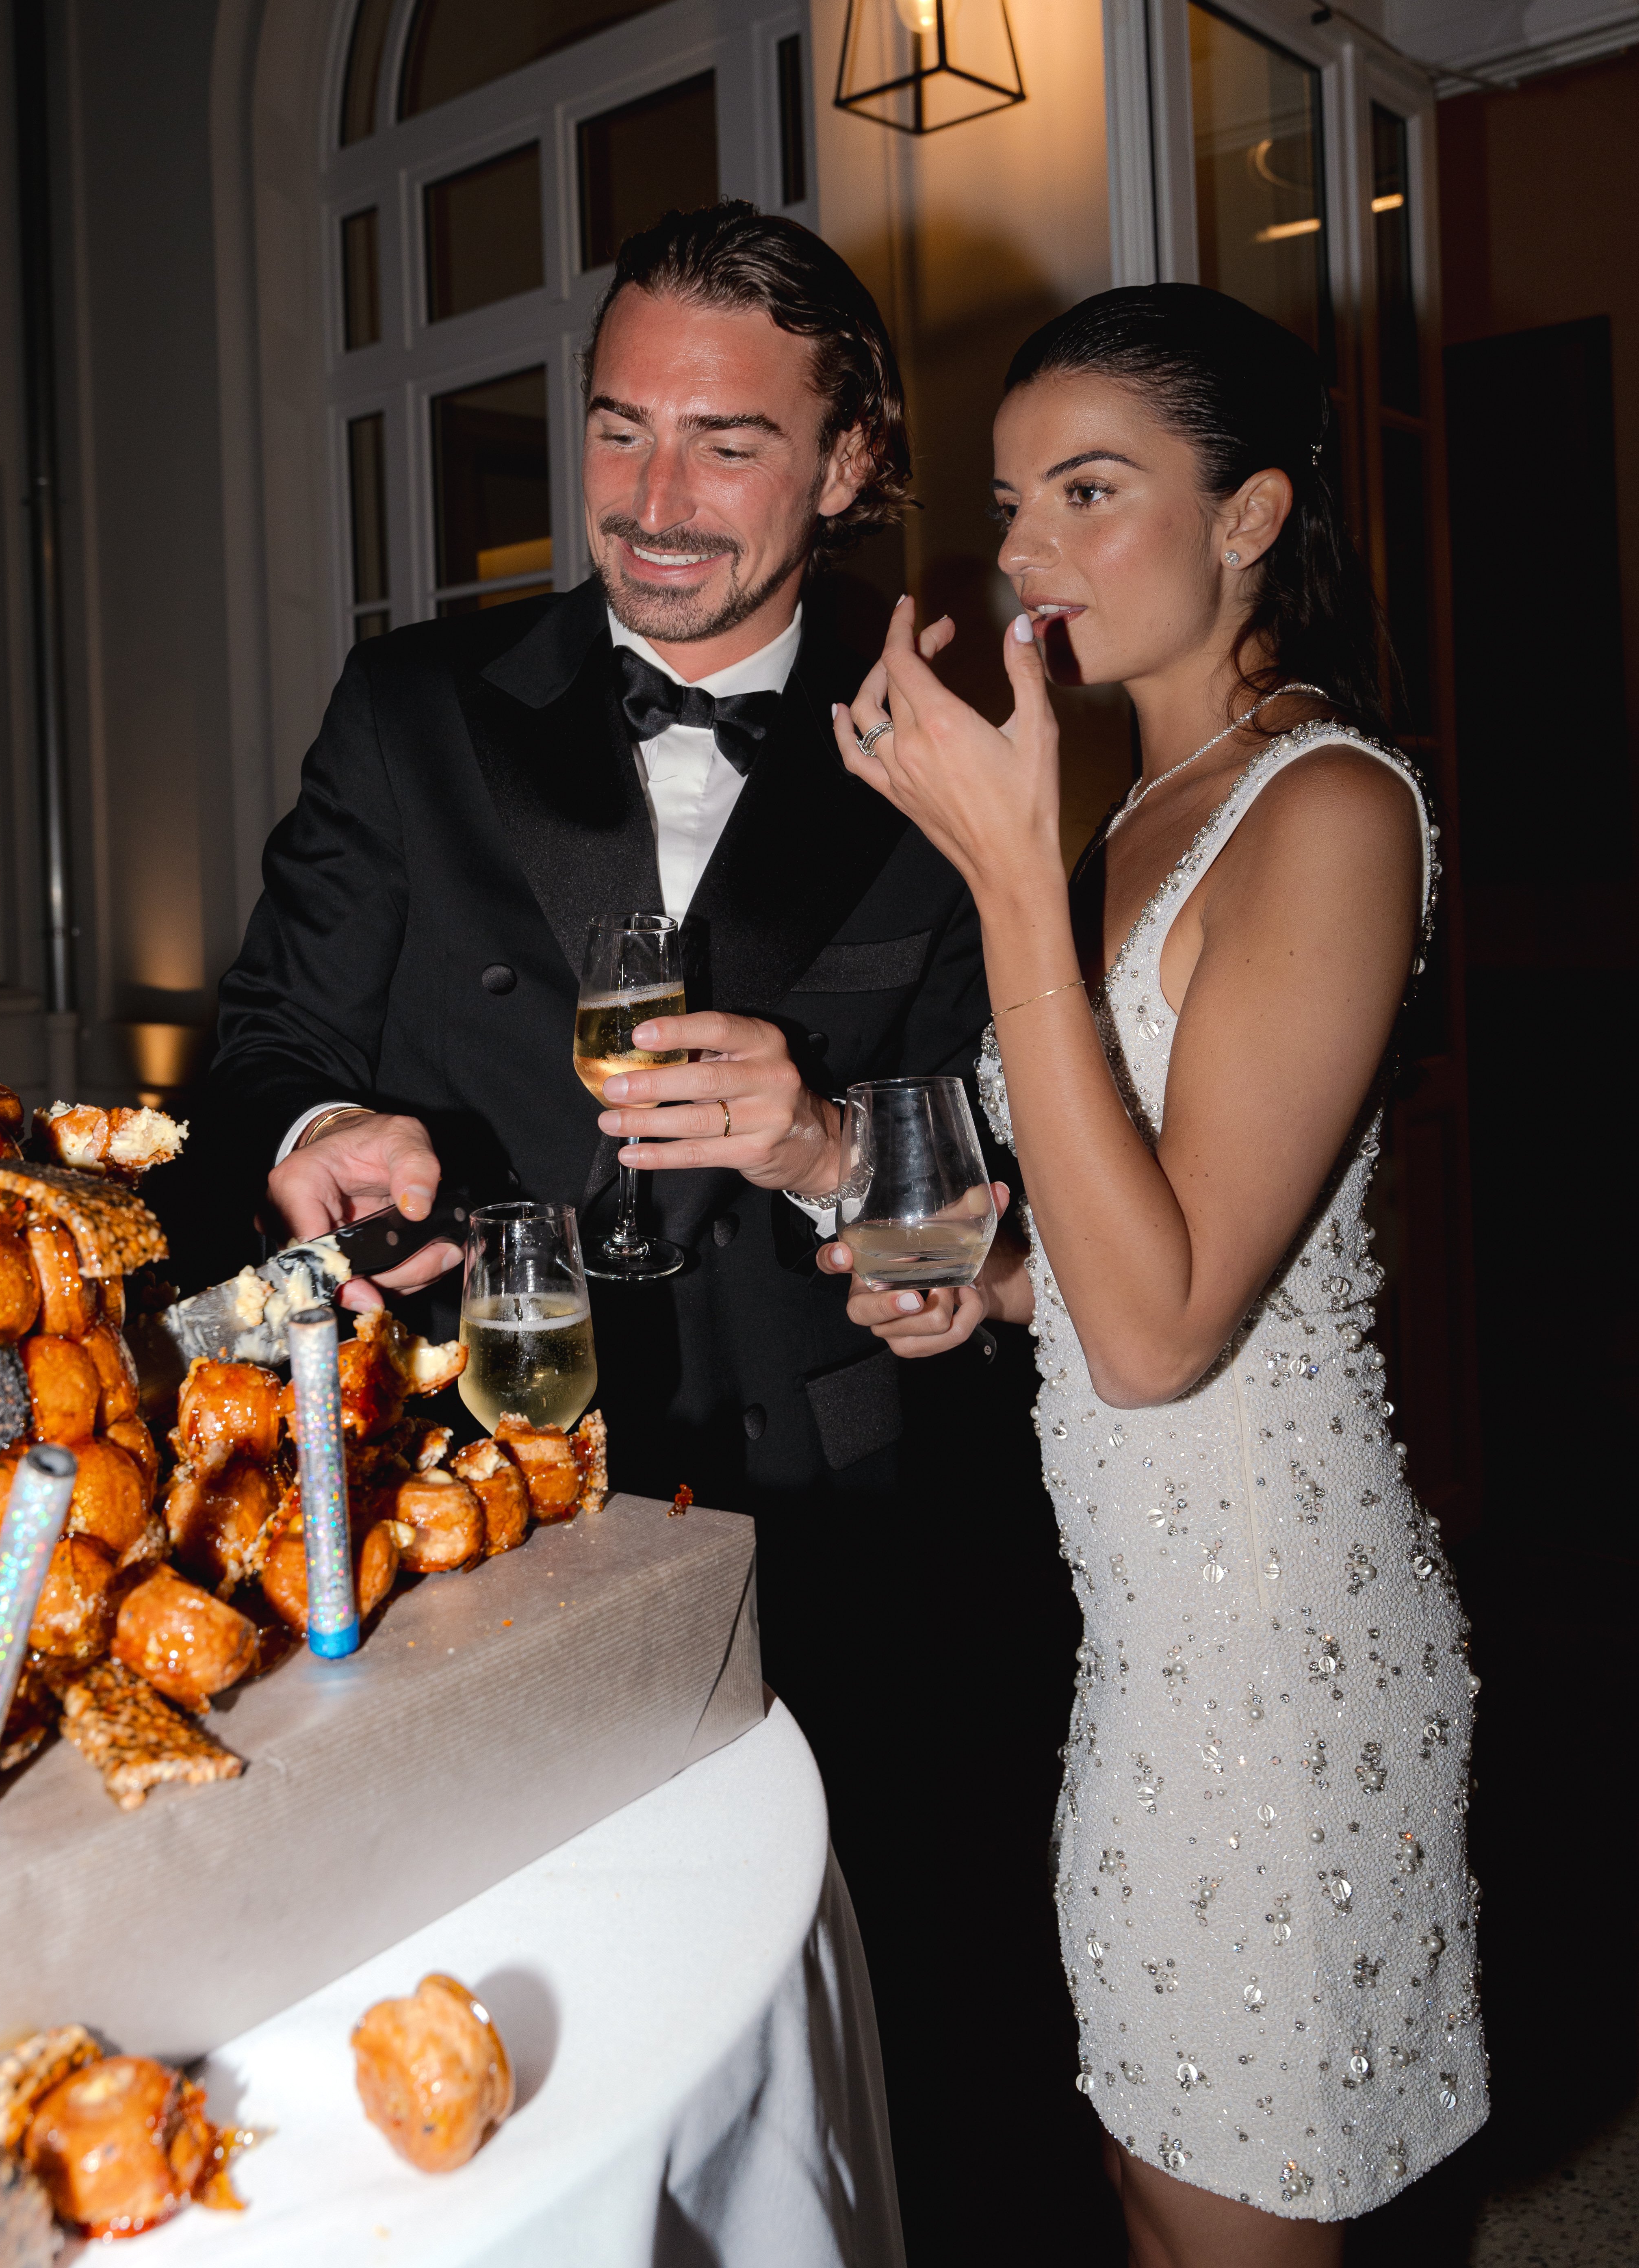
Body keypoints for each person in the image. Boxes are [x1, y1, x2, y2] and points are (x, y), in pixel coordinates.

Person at [206, 201, 1011, 2222]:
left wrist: (835, 1134)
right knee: (462, 2063)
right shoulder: (411, 711)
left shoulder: (955, 753)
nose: (653, 505)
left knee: (844, 2036)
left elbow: (995, 1179)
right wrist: (314, 1130)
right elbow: (257, 1046)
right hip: (462, 1514)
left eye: (727, 444)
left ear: (843, 467)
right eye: (617, 429)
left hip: (835, 1523)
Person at [822, 284, 1486, 2261]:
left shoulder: (1335, 809)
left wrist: (1007, 875)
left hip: (1275, 1649)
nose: (1022, 553)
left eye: (1089, 491)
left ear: (1252, 514)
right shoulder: (1137, 817)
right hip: (1139, 1636)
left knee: (1234, 2208)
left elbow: (1171, 1324)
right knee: (1146, 2174)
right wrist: (994, 1288)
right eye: (1014, 499)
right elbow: (1147, 1258)